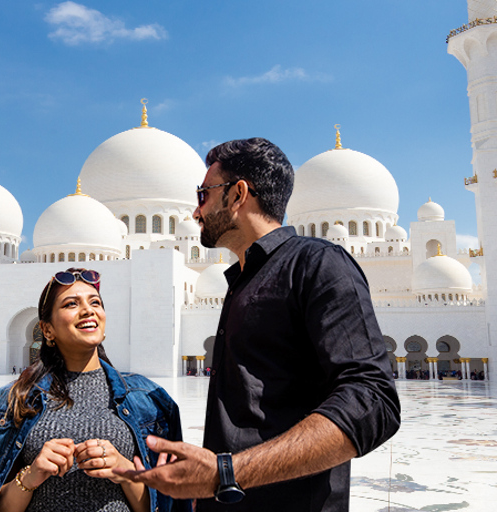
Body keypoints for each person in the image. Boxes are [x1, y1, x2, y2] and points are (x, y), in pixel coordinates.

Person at [115, 138, 401, 511]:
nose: (195, 211)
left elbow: (373, 402)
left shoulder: (316, 265)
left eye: (203, 195)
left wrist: (227, 473)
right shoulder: (241, 281)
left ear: (237, 195)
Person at [0, 268, 187, 512]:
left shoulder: (148, 400)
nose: (88, 310)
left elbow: (170, 504)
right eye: (71, 303)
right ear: (47, 330)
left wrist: (125, 472)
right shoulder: (12, 400)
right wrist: (31, 476)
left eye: (95, 302)